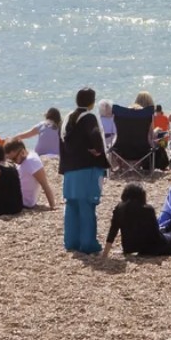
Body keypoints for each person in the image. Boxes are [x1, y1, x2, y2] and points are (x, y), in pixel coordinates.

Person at [60, 88, 106, 255]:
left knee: (72, 206)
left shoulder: (67, 119)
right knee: (87, 206)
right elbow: (95, 134)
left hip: (69, 170)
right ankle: (88, 244)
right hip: (87, 169)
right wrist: (98, 150)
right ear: (92, 103)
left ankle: (71, 242)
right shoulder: (88, 117)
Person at [106, 183, 171, 258]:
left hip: (129, 248)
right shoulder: (148, 209)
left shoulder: (119, 208)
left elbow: (113, 231)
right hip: (150, 248)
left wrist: (105, 254)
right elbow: (155, 233)